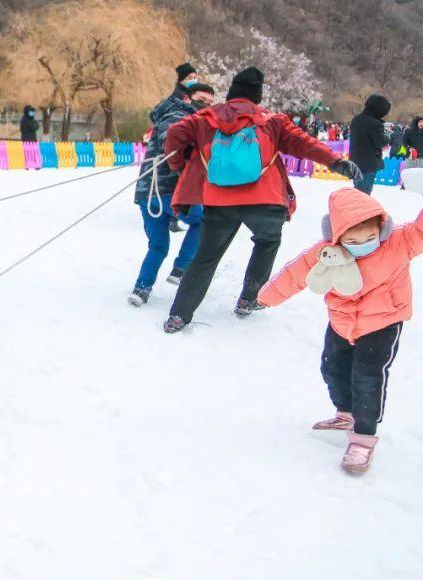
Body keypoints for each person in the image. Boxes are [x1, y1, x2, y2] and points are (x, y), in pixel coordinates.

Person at [162, 66, 362, 333]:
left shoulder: (204, 118)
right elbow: (304, 143)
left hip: (219, 201)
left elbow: (175, 134)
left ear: (231, 92)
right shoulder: (270, 120)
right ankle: (249, 298)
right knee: (267, 242)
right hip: (265, 200)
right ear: (256, 96)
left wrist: (179, 163)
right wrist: (336, 162)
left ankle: (179, 315)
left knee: (205, 257)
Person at [257, 187, 423, 473]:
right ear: (337, 236)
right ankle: (346, 413)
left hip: (383, 322)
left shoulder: (400, 241)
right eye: (353, 240)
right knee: (332, 368)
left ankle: (363, 437)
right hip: (342, 322)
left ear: (381, 228)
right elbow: (295, 274)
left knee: (367, 378)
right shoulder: (326, 252)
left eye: (370, 238)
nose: (363, 244)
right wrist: (267, 297)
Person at [129, 83, 215, 307]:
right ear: (187, 98)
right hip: (165, 191)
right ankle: (181, 268)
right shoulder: (177, 115)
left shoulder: (180, 116)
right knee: (204, 221)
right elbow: (172, 137)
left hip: (149, 192)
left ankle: (141, 289)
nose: (205, 105)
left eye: (209, 102)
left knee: (158, 245)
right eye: (201, 99)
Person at [348, 94, 391, 195]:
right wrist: (387, 137)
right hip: (368, 164)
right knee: (364, 194)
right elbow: (381, 142)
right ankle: (360, 210)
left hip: (355, 161)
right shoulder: (375, 124)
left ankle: (355, 209)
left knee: (357, 190)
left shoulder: (356, 119)